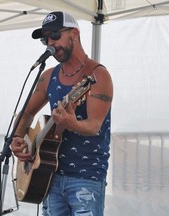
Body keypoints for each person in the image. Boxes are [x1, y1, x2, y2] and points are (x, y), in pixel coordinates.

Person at [11, 11, 113, 216]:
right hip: (50, 176)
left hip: (86, 178)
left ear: (74, 33)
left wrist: (72, 123)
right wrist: (17, 137)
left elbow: (94, 126)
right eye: (45, 38)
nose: (50, 42)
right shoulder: (49, 76)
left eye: (55, 35)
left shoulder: (98, 75)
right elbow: (26, 113)